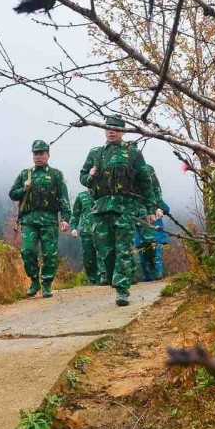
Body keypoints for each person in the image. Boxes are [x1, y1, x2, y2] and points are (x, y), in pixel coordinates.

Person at [80, 115, 160, 306]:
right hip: (100, 208)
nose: (111, 131)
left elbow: (145, 181)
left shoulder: (132, 153)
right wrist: (89, 176)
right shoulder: (95, 154)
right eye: (108, 128)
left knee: (123, 248)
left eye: (115, 128)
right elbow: (83, 178)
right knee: (105, 251)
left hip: (125, 207)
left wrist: (150, 207)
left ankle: (122, 290)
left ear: (123, 131)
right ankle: (114, 279)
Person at [8, 140, 71, 299]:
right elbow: (12, 194)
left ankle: (47, 283)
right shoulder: (25, 174)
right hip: (29, 220)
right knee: (27, 251)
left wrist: (65, 218)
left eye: (41, 153)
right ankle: (34, 280)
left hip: (49, 220)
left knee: (49, 254)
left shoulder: (56, 174)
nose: (38, 156)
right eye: (35, 153)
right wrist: (24, 188)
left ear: (48, 155)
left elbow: (63, 198)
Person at [70, 189, 100, 284]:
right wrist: (73, 228)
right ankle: (93, 280)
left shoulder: (105, 193)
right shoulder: (81, 196)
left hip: (102, 232)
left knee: (104, 257)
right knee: (88, 259)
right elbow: (75, 214)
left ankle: (105, 279)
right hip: (87, 232)